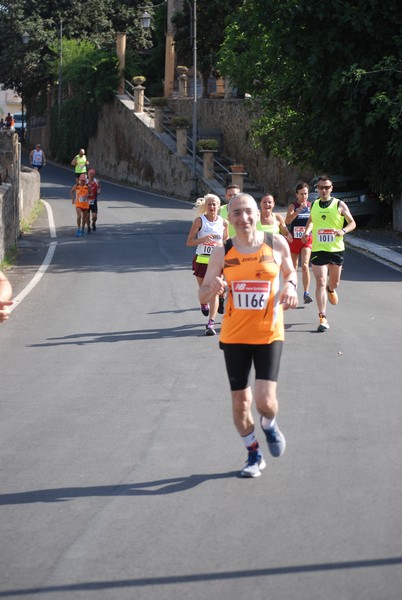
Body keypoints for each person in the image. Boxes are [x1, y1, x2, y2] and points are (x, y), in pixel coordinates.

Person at [199, 193, 298, 477]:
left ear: (257, 213)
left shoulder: (276, 243)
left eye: (248, 212)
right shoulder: (222, 252)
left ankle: (268, 424)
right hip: (234, 336)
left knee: (265, 402)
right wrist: (212, 287)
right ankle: (253, 452)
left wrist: (290, 287)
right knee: (241, 403)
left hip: (268, 333)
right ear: (229, 220)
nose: (243, 218)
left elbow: (290, 272)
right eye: (237, 213)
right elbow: (202, 292)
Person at [301, 174, 356, 332]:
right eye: (321, 187)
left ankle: (331, 290)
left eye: (327, 187)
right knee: (320, 281)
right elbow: (311, 221)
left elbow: (352, 222)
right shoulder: (314, 205)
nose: (323, 190)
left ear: (331, 189)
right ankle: (322, 316)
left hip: (336, 249)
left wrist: (343, 230)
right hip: (318, 249)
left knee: (334, 283)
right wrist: (307, 232)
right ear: (317, 189)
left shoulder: (339, 204)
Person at [186, 194, 228, 336]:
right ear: (206, 206)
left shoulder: (224, 223)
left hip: (217, 262)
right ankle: (204, 303)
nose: (212, 207)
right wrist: (202, 239)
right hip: (202, 260)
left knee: (214, 291)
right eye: (209, 204)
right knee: (204, 291)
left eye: (214, 204)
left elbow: (226, 241)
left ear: (219, 206)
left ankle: (211, 323)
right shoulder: (200, 221)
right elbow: (189, 242)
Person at [285, 182, 313, 304]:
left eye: (306, 193)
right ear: (297, 194)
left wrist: (308, 232)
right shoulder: (293, 206)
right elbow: (287, 221)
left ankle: (306, 293)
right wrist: (298, 210)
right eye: (301, 194)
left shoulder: (311, 206)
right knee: (294, 267)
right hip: (294, 239)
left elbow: (313, 222)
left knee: (305, 265)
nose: (304, 196)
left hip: (306, 238)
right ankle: (293, 291)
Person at [86, 168, 101, 233]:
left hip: (94, 201)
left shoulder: (96, 181)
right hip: (86, 202)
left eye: (92, 174)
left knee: (94, 216)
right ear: (88, 174)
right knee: (87, 216)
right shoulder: (85, 182)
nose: (91, 176)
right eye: (90, 174)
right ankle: (89, 227)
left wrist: (99, 191)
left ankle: (93, 223)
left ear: (94, 175)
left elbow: (99, 188)